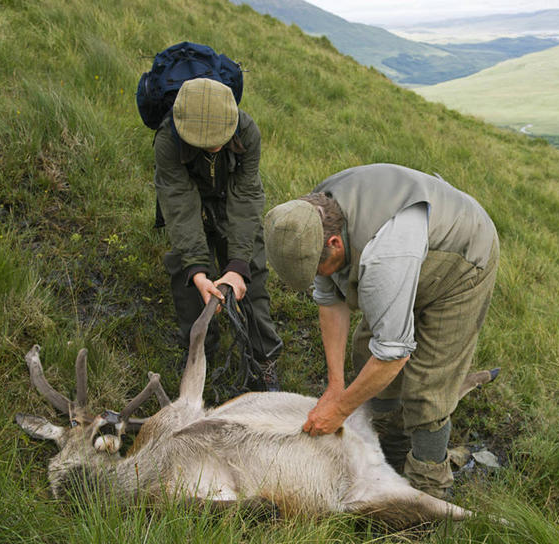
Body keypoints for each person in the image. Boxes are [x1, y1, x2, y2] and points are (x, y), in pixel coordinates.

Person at [263, 163, 499, 498]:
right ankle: (391, 446)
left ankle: (428, 487)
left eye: (319, 267)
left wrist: (340, 410)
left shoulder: (383, 257)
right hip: (409, 253)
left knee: (427, 389)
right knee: (365, 351)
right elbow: (330, 299)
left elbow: (392, 355)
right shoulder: (306, 220)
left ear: (333, 242)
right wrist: (334, 387)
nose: (320, 275)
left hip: (461, 261)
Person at [154, 77, 282, 391]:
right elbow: (179, 204)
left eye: (220, 138)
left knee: (252, 271)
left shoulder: (247, 131)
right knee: (184, 273)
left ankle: (263, 358)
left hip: (231, 197)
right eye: (205, 140)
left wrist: (237, 265)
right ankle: (198, 353)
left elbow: (247, 195)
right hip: (190, 198)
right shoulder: (167, 141)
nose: (215, 145)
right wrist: (198, 269)